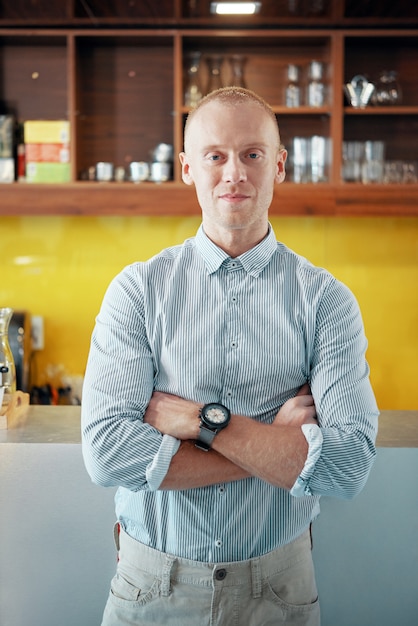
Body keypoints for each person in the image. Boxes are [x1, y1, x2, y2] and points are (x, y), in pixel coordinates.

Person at [81, 87, 379, 626]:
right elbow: (107, 453)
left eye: (252, 154)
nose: (234, 173)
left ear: (279, 165)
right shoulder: (137, 291)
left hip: (279, 593)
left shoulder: (327, 301)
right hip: (151, 591)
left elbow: (348, 465)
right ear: (188, 168)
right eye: (216, 156)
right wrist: (275, 449)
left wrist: (200, 422)